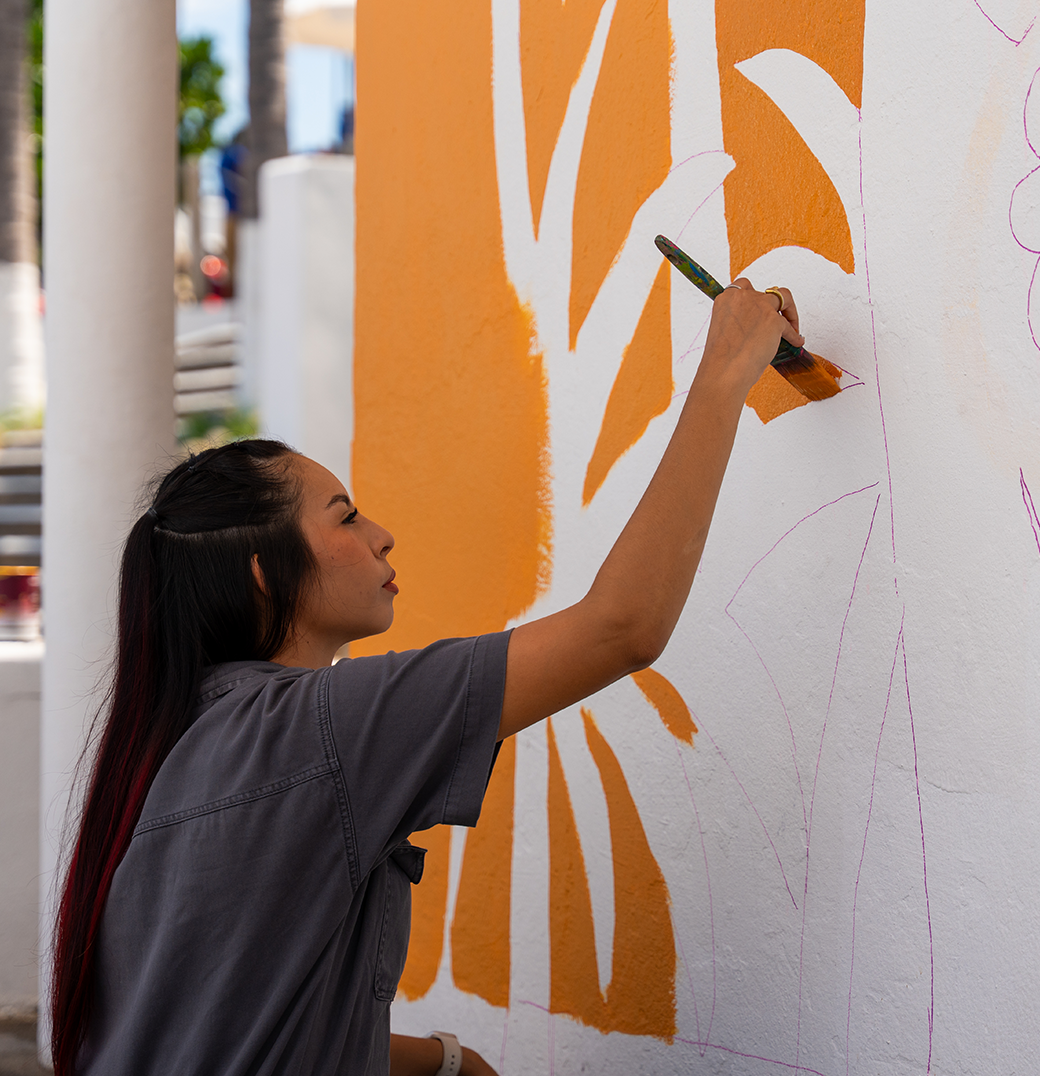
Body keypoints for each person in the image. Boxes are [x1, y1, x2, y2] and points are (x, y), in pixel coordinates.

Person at [49, 278, 805, 1076]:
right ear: (264, 575)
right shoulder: (319, 728)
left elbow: (230, 1018)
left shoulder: (187, 739)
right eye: (344, 516)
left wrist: (441, 1061)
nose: (384, 535)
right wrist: (725, 371)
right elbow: (623, 626)